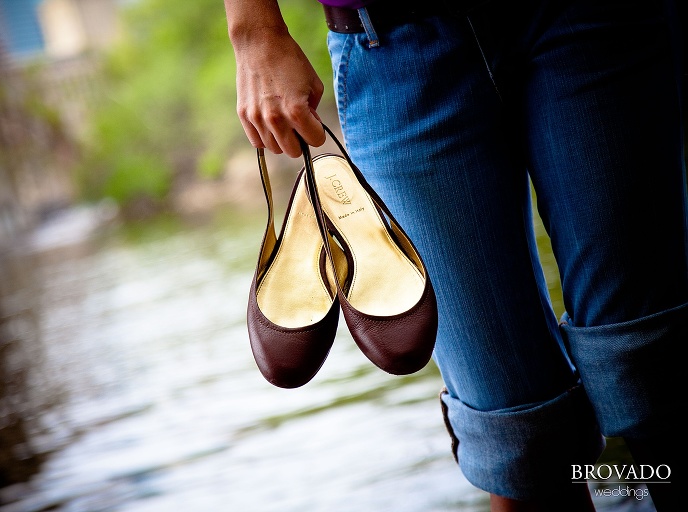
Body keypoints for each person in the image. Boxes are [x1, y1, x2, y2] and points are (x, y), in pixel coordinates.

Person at [223, 0, 686, 509]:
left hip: (581, 18)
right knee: (519, 438)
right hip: (391, 45)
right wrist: (255, 31)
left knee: (652, 369)